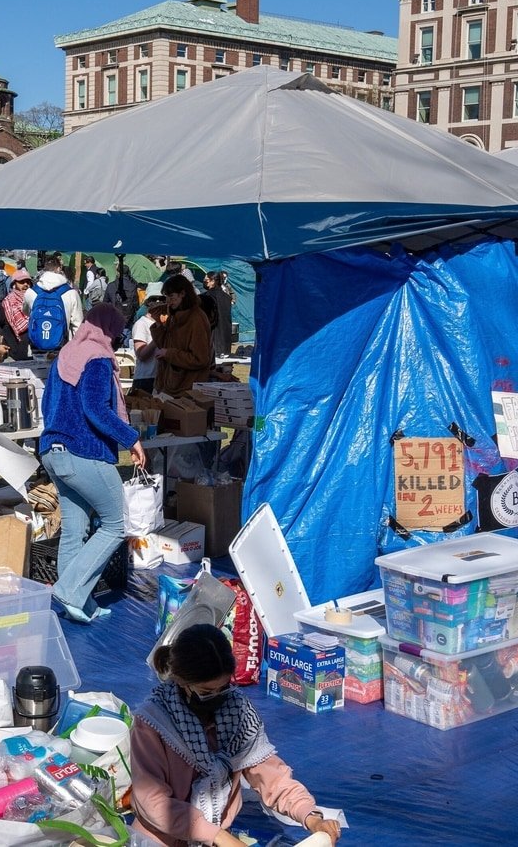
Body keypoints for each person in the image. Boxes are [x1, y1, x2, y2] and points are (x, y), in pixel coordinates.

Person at [133, 624, 341, 847]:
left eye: (222, 688)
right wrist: (217, 836)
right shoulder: (154, 722)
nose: (216, 698)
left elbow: (271, 776)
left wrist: (310, 815)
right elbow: (153, 801)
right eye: (205, 692)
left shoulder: (237, 711)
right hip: (160, 839)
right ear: (183, 683)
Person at [37, 303, 142, 623]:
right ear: (108, 327)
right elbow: (96, 409)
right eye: (118, 328)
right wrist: (131, 438)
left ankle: (79, 603)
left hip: (53, 452)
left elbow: (46, 403)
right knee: (114, 525)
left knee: (75, 529)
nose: (120, 334)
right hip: (84, 452)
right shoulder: (97, 357)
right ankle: (70, 590)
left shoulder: (66, 354)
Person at [155, 275, 213, 397]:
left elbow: (200, 359)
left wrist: (169, 354)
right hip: (170, 386)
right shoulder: (175, 315)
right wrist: (158, 325)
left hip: (187, 388)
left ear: (182, 294)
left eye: (171, 297)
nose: (168, 301)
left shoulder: (196, 319)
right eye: (166, 297)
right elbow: (164, 346)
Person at [25, 256, 84, 347]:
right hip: (62, 346)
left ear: (44, 269)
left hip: (36, 344)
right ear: (59, 269)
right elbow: (78, 325)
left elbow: (26, 312)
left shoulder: (31, 292)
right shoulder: (71, 293)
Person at [132, 298, 168, 394]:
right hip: (145, 378)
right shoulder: (141, 324)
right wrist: (157, 337)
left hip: (161, 377)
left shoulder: (164, 323)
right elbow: (141, 355)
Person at [204, 271, 234, 358]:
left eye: (206, 280)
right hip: (225, 342)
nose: (205, 282)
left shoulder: (207, 297)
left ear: (213, 281)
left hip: (213, 340)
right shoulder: (227, 297)